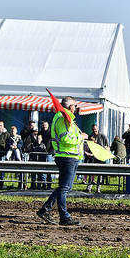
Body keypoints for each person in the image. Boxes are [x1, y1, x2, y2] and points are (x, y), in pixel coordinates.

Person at [36, 96, 88, 226]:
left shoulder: (65, 119)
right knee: (64, 188)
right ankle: (64, 217)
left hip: (69, 156)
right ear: (70, 107)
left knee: (63, 188)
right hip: (67, 157)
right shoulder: (63, 120)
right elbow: (66, 139)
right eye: (75, 106)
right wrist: (81, 138)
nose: (76, 108)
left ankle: (46, 209)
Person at [86, 124, 110, 193]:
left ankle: (98, 188)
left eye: (95, 129)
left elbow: (107, 147)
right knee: (91, 172)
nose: (94, 130)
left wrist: (105, 151)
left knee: (100, 173)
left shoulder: (103, 136)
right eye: (93, 129)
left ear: (98, 129)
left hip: (100, 157)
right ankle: (89, 187)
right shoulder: (90, 137)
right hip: (92, 157)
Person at [38, 121, 54, 189]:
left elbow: (53, 142)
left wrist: (51, 151)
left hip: (49, 153)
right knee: (42, 170)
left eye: (45, 125)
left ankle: (49, 184)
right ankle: (44, 184)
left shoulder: (51, 133)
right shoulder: (40, 132)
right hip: (42, 152)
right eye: (43, 125)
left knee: (49, 169)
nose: (44, 126)